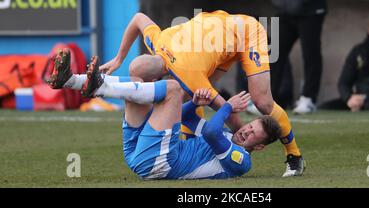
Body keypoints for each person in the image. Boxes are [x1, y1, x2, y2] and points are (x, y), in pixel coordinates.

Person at [83, 10, 304, 177]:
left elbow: (224, 114)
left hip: (247, 32)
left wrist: (234, 115)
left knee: (262, 102)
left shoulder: (191, 74)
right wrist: (119, 59)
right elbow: (139, 19)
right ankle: (96, 84)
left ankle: (293, 155)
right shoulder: (158, 41)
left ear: (155, 77)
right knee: (186, 95)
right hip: (217, 34)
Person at [47, 49, 282, 180]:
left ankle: (97, 87)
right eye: (250, 126)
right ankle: (71, 80)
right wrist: (196, 103)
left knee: (173, 89)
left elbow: (210, 131)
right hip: (141, 153)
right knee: (137, 84)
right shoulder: (227, 135)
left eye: (252, 135)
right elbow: (188, 118)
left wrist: (227, 106)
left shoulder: (242, 161)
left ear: (259, 147)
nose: (245, 131)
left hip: (161, 163)